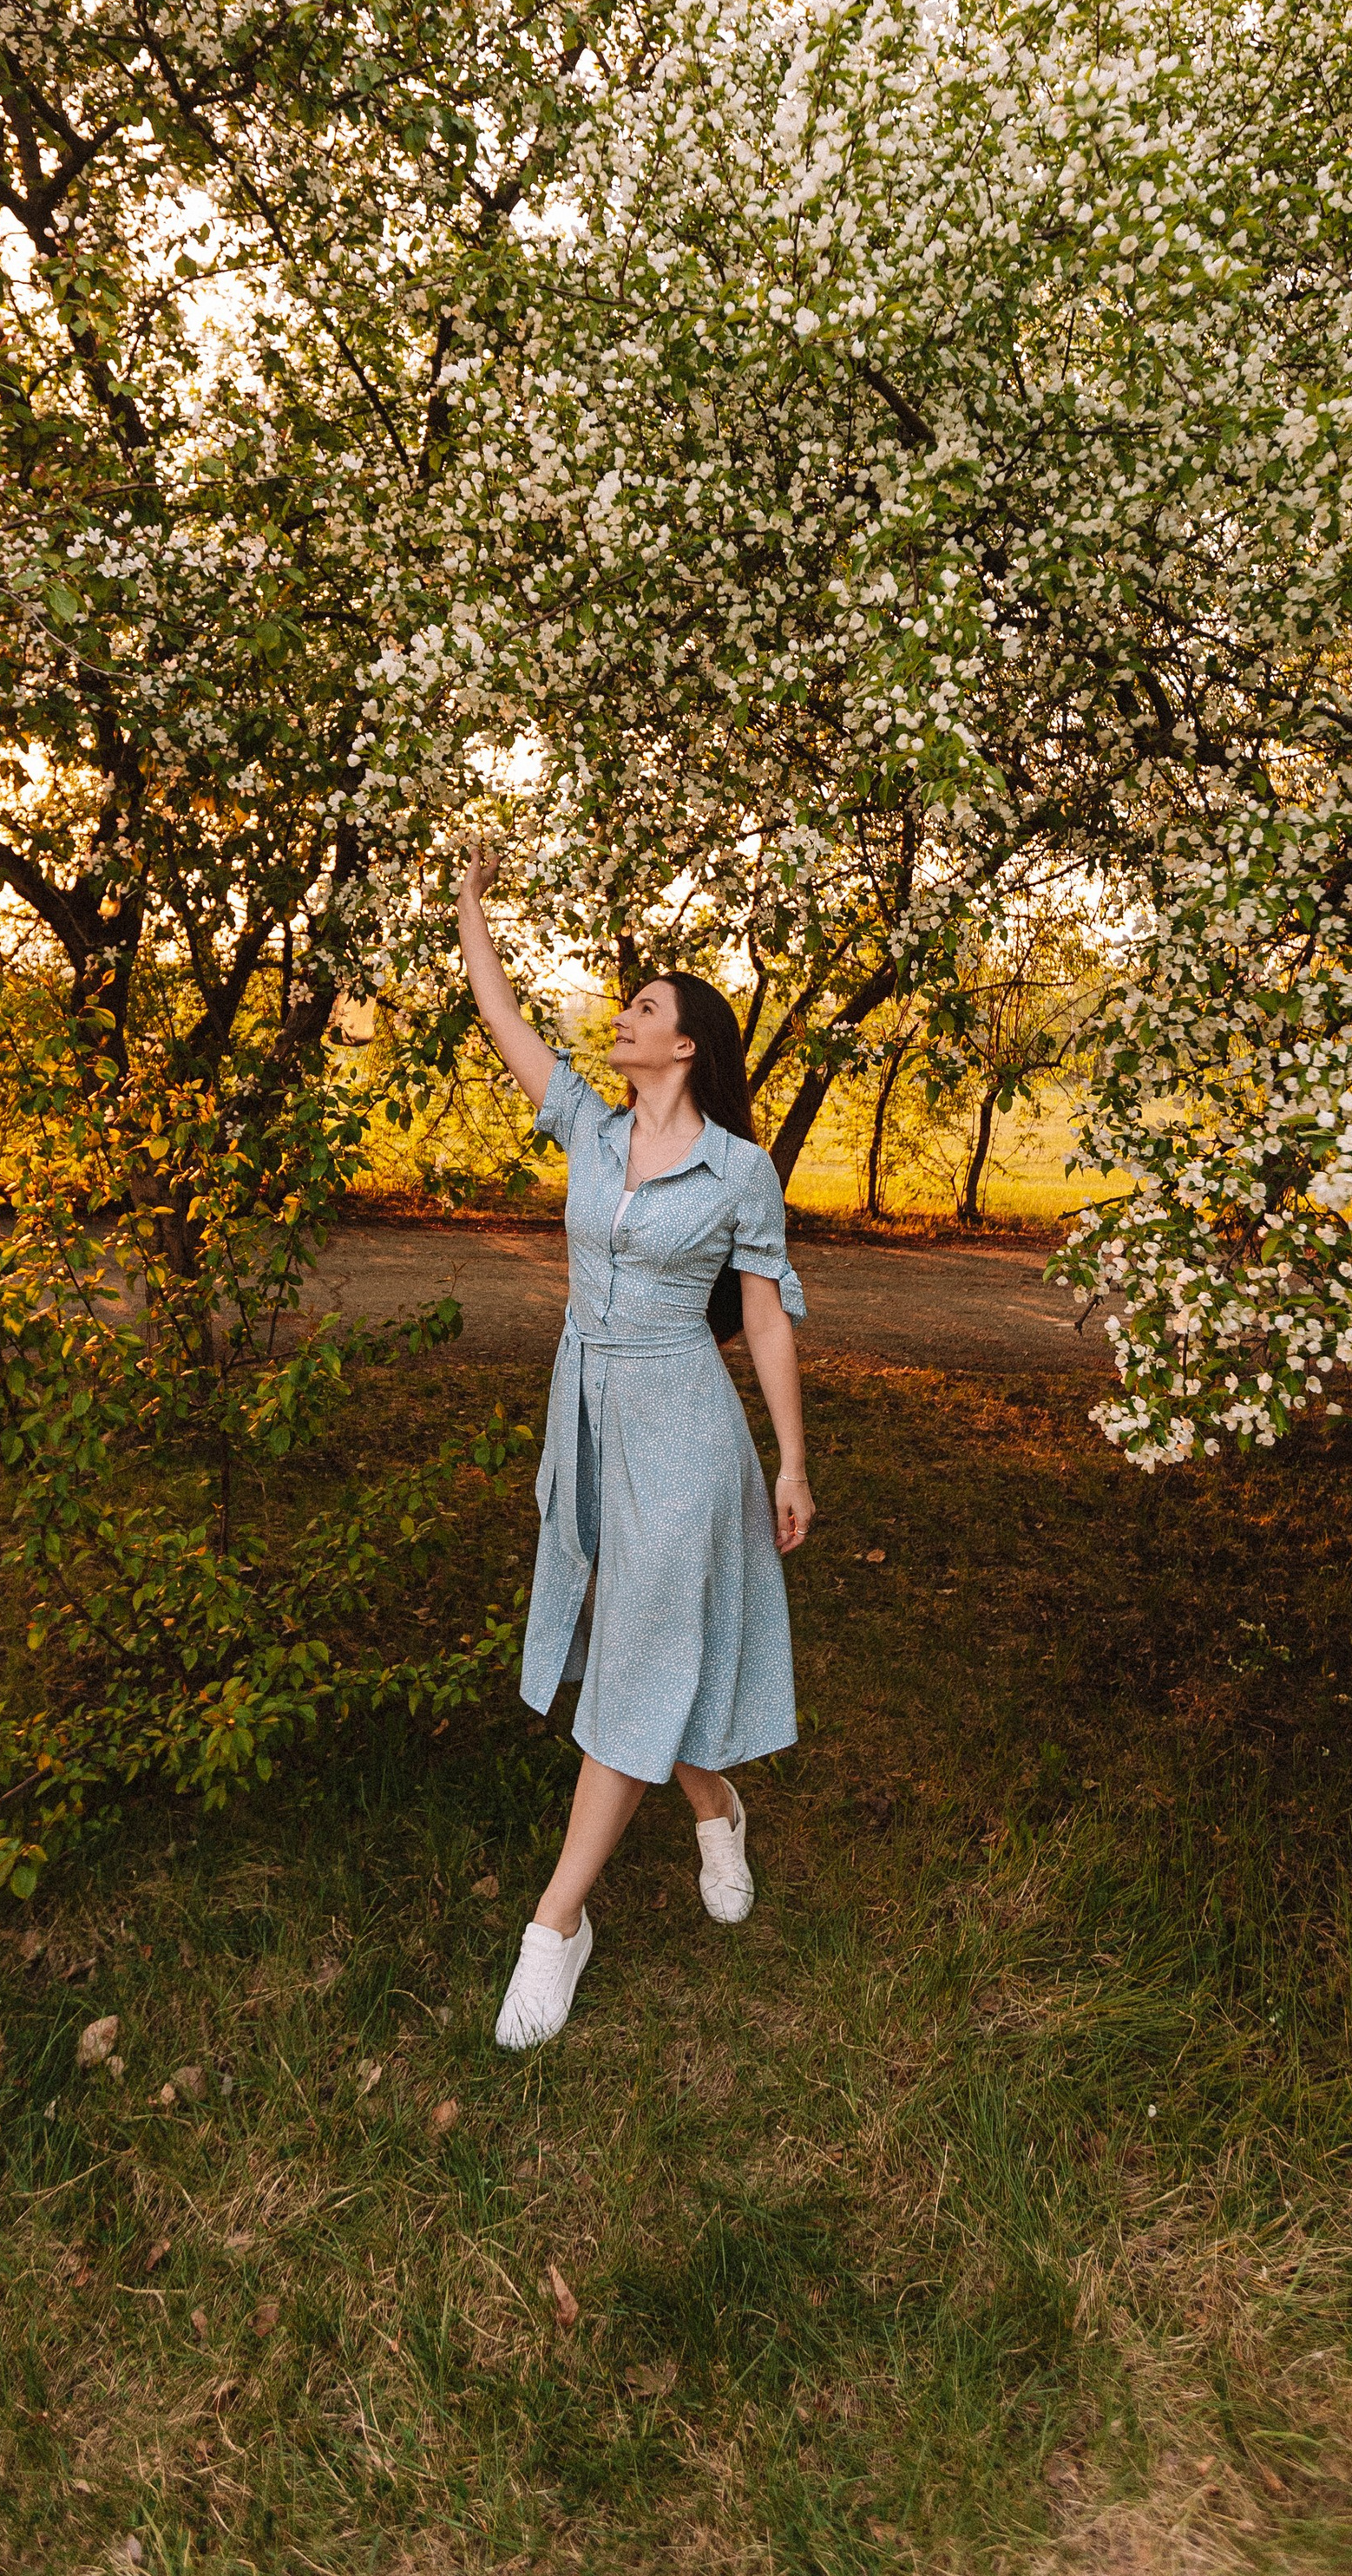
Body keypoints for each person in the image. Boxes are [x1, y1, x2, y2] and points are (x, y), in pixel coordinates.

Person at [456, 847, 817, 2051]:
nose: (626, 1015)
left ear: (688, 1048)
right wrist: (470, 904)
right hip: (588, 1414)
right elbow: (500, 1012)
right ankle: (715, 1803)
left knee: (634, 1654)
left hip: (687, 1424)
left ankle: (556, 1927)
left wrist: (791, 1461)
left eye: (648, 1008)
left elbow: (763, 1315)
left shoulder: (741, 1172)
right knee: (634, 1638)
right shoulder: (587, 1129)